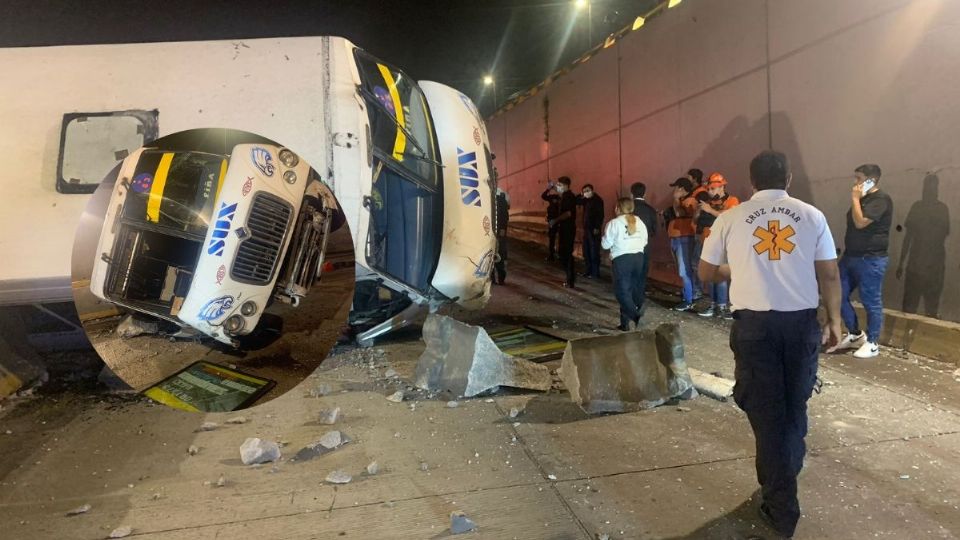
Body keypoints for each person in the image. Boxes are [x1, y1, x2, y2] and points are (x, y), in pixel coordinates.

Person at [699, 150, 842, 539]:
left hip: (755, 329)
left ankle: (781, 507)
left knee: (767, 414)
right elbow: (829, 273)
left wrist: (739, 268)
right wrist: (835, 320)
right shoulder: (812, 216)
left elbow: (706, 272)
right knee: (794, 404)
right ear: (789, 178)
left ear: (751, 181)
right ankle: (788, 467)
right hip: (800, 326)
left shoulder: (730, 218)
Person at [826, 164, 893, 359]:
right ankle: (855, 334)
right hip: (851, 256)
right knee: (837, 294)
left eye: (859, 179)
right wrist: (858, 199)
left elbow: (860, 222)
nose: (855, 183)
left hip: (871, 259)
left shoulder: (881, 200)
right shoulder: (863, 199)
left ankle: (872, 342)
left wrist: (855, 199)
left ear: (871, 180)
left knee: (871, 301)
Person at [694, 172, 740, 319]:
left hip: (723, 243)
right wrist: (698, 210)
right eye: (709, 189)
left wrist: (709, 210)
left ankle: (722, 306)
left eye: (713, 189)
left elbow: (730, 218)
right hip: (706, 241)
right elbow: (696, 221)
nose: (710, 192)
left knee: (720, 275)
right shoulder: (708, 202)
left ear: (722, 187)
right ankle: (714, 304)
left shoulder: (732, 200)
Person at [602, 197, 649, 330]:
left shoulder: (614, 223)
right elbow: (645, 241)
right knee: (631, 288)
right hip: (638, 258)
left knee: (622, 292)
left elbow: (606, 244)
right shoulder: (639, 221)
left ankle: (636, 316)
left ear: (618, 208)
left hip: (622, 260)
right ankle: (624, 324)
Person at [667, 177, 698, 311]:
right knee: (681, 269)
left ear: (681, 188)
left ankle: (689, 300)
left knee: (684, 270)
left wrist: (675, 199)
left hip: (684, 237)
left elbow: (679, 213)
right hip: (676, 237)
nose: (674, 190)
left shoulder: (690, 201)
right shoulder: (682, 200)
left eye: (676, 187)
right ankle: (687, 295)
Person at [630, 182, 658, 316]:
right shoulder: (650, 210)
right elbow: (654, 230)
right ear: (645, 193)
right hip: (644, 246)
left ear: (631, 193)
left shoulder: (628, 209)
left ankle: (630, 300)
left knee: (630, 274)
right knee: (642, 274)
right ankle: (639, 300)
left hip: (629, 246)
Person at [548, 176, 578, 288]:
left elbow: (568, 213)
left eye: (559, 185)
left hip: (568, 228)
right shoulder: (564, 196)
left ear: (566, 185)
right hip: (564, 228)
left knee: (566, 254)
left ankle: (570, 279)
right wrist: (552, 187)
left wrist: (555, 221)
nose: (558, 187)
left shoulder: (568, 197)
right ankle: (570, 278)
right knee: (563, 253)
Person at [576, 184, 605, 279]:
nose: (586, 192)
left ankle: (595, 273)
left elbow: (600, 215)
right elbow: (576, 201)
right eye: (584, 191)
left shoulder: (598, 200)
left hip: (594, 229)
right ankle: (588, 271)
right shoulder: (586, 200)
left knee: (594, 251)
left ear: (592, 190)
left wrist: (597, 227)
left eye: (588, 190)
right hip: (586, 229)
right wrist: (581, 194)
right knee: (586, 251)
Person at [687, 168, 707, 299]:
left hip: (700, 232)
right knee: (694, 262)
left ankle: (698, 290)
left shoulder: (700, 193)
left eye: (689, 177)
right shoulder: (694, 191)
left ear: (694, 178)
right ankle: (695, 289)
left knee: (696, 263)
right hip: (695, 230)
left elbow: (696, 213)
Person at [493, 186, 510, 285]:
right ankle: (493, 278)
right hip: (491, 230)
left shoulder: (500, 196)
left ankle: (500, 277)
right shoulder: (486, 195)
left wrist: (502, 229)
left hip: (498, 231)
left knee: (499, 253)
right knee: (492, 255)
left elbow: (504, 215)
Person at [541, 181, 561, 261]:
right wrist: (548, 189)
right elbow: (543, 196)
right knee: (551, 238)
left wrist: (556, 189)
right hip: (551, 220)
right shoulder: (552, 197)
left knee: (561, 238)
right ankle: (551, 254)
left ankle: (560, 254)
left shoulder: (562, 196)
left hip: (559, 220)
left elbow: (563, 195)